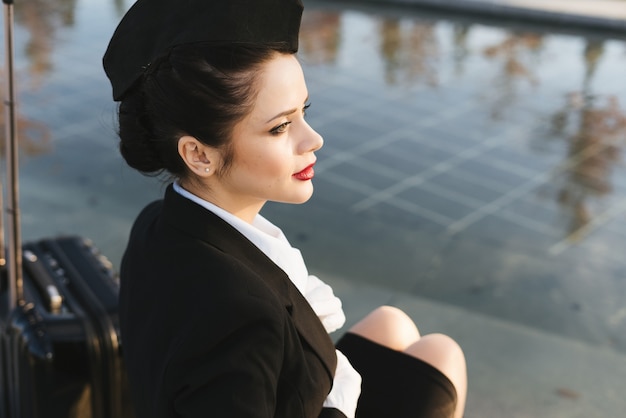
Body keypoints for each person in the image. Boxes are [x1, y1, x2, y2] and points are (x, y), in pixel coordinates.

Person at [103, 1, 467, 417]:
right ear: (199, 154)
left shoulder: (159, 222)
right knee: (443, 355)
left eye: (303, 113)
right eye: (280, 127)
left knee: (393, 323)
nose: (313, 139)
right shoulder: (240, 319)